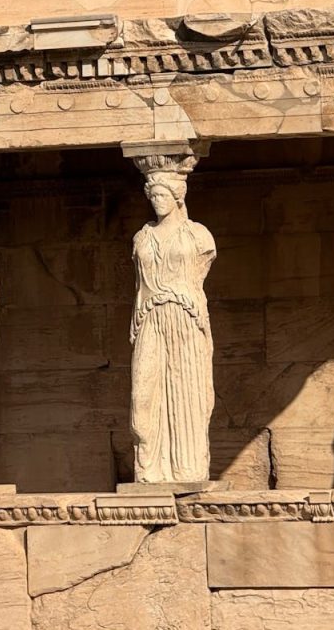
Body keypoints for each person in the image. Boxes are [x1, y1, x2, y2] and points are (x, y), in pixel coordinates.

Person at [130, 170, 216, 483]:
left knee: (187, 389)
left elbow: (201, 271)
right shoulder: (142, 237)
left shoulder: (198, 236)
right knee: (144, 394)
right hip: (150, 317)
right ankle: (150, 468)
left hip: (185, 315)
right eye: (152, 196)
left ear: (177, 197)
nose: (156, 201)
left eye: (162, 195)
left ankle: (187, 468)